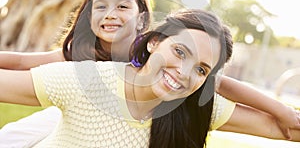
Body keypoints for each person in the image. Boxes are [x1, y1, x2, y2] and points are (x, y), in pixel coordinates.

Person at [0, 0, 300, 146]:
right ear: (154, 43)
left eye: (201, 69)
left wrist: (283, 112)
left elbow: (223, 85)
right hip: (73, 109)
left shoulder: (188, 97)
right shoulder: (81, 69)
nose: (111, 16)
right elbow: (21, 64)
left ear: (143, 21)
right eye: (100, 7)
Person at [0, 8, 233, 147]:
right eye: (180, 52)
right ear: (154, 42)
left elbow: (272, 124)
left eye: (201, 69)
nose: (183, 72)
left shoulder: (194, 107)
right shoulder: (89, 80)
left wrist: (211, 79)